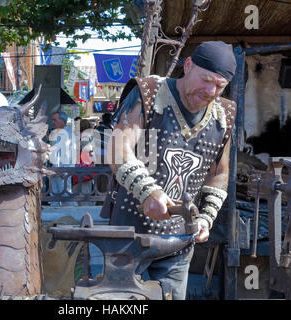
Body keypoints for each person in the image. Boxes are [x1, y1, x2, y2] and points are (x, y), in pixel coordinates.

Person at [100, 41, 237, 299]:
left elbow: (219, 172)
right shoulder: (149, 92)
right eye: (206, 80)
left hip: (179, 243)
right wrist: (148, 192)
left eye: (219, 86)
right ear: (187, 66)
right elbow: (118, 149)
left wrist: (206, 217)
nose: (210, 91)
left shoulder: (225, 114)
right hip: (128, 235)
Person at [49, 111, 77, 206]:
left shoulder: (67, 135)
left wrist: (63, 170)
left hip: (62, 171)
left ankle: (73, 217)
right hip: (57, 170)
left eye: (55, 120)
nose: (52, 122)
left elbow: (69, 155)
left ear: (62, 121)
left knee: (66, 198)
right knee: (55, 198)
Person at [73, 119, 95, 206]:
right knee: (86, 191)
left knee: (79, 192)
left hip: (79, 166)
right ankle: (87, 210)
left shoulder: (80, 136)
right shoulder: (90, 135)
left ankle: (83, 210)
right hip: (87, 166)